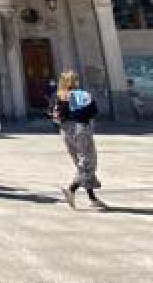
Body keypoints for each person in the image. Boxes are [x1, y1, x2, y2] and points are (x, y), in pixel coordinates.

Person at [53, 71, 104, 210]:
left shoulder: (59, 95)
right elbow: (93, 111)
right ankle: (72, 189)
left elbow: (55, 116)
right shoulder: (81, 94)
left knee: (80, 163)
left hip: (65, 130)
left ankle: (92, 198)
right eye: (75, 79)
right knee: (88, 162)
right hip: (80, 129)